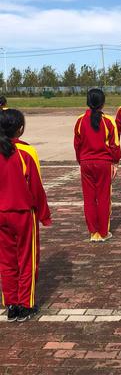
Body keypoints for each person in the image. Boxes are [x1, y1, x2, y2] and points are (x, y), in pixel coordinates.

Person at [0, 109, 51, 322]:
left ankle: (10, 303)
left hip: (1, 213)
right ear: (20, 128)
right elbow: (36, 187)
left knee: (6, 260)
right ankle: (25, 303)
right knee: (27, 259)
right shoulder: (25, 152)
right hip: (22, 212)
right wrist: (44, 214)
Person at [74, 89, 121, 242]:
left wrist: (80, 160)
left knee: (89, 198)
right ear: (103, 102)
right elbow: (114, 145)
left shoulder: (80, 120)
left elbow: (77, 144)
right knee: (103, 197)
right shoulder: (108, 121)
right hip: (103, 163)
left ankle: (93, 231)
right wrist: (115, 162)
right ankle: (103, 232)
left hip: (86, 162)